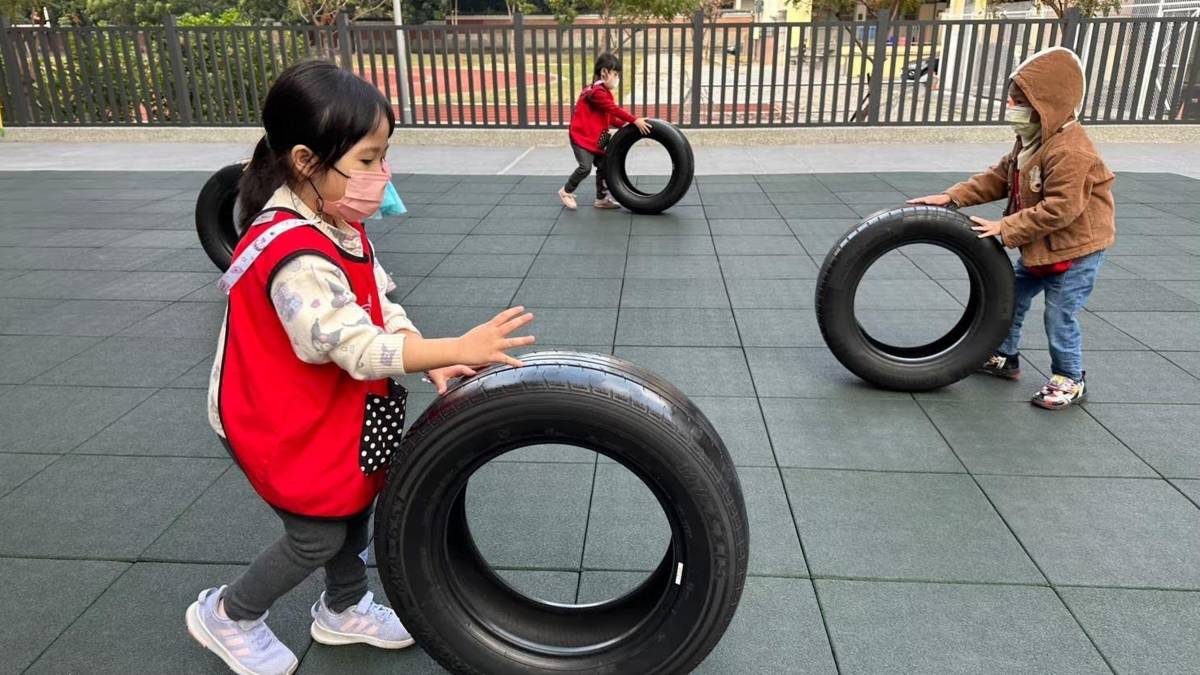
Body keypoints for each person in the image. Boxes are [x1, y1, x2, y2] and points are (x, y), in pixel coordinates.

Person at [186, 60, 535, 675]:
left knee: (354, 508)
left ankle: (343, 608)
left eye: (384, 155)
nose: (382, 175)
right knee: (315, 534)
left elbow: (378, 306)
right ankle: (229, 614)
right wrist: (454, 347)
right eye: (368, 160)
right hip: (275, 419)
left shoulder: (335, 221)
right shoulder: (294, 255)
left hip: (333, 411)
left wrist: (425, 357)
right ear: (304, 160)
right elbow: (352, 345)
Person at [909, 47, 1115, 410]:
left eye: (1020, 101)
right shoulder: (1032, 140)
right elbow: (999, 177)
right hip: (1041, 246)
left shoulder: (1071, 152)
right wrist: (951, 197)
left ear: (1047, 104)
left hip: (1075, 251)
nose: (1012, 107)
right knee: (1010, 299)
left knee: (1059, 314)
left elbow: (1061, 208)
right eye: (1013, 98)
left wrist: (1006, 227)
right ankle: (1005, 356)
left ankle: (1070, 377)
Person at [559, 53, 652, 210]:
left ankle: (601, 198)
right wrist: (634, 120)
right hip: (581, 137)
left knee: (604, 165)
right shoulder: (596, 92)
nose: (617, 78)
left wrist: (628, 125)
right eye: (615, 74)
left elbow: (609, 116)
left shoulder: (602, 92)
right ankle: (566, 191)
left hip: (596, 137)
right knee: (585, 167)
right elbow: (612, 109)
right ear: (604, 72)